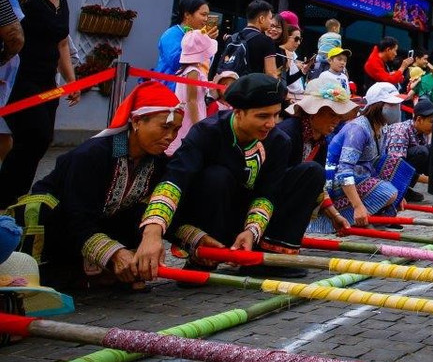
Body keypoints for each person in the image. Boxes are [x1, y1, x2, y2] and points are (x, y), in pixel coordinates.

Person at [137, 74, 324, 275]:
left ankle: (269, 256)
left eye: (275, 115)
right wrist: (152, 232)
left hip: (250, 222)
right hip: (209, 217)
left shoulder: (279, 141)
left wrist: (251, 232)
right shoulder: (207, 132)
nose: (271, 123)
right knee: (217, 176)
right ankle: (204, 255)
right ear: (238, 113)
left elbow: (268, 193)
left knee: (311, 172)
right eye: (262, 116)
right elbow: (175, 180)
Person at [19, 82, 184, 289]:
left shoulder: (155, 161)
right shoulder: (93, 155)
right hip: (58, 228)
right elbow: (75, 217)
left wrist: (197, 241)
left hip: (96, 224)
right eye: (165, 127)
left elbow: (159, 209)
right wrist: (116, 254)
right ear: (136, 121)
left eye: (176, 130)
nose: (171, 137)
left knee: (146, 212)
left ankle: (109, 270)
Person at [0, 0, 82, 209]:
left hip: (48, 82)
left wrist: (71, 81)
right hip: (19, 77)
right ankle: (7, 196)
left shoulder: (63, 3)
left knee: (40, 140)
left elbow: (61, 46)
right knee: (34, 135)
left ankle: (15, 197)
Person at [312, 82, 412, 233]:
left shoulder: (382, 128)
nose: (395, 109)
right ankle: (355, 214)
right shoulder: (358, 129)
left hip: (363, 175)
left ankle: (378, 212)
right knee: (389, 192)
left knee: (395, 165)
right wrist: (358, 206)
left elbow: (377, 162)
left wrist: (398, 194)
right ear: (378, 106)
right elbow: (344, 172)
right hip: (336, 181)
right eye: (390, 105)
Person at [276, 79, 357, 235]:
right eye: (332, 114)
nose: (337, 120)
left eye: (339, 116)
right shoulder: (287, 134)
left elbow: (318, 185)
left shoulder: (321, 141)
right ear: (314, 112)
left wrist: (335, 216)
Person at [171, 28, 218, 155]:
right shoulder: (193, 72)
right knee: (189, 146)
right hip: (191, 115)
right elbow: (191, 101)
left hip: (186, 112)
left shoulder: (186, 70)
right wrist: (199, 125)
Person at [152, 0, 212, 91]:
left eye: (207, 15)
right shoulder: (172, 34)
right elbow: (176, 62)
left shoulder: (198, 36)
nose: (206, 19)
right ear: (187, 14)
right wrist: (202, 42)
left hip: (190, 95)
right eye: (203, 14)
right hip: (167, 93)